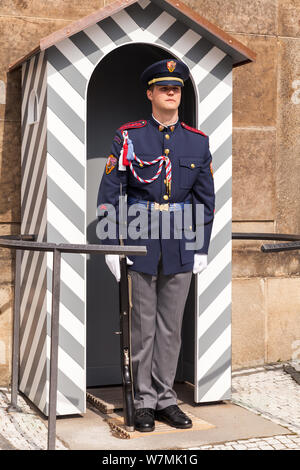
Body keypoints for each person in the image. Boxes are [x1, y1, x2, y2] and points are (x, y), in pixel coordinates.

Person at [96, 59, 215, 432]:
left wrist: (200, 247)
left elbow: (204, 200)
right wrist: (112, 246)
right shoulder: (128, 137)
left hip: (181, 241)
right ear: (150, 93)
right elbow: (111, 192)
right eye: (163, 87)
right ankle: (143, 400)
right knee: (143, 325)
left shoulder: (198, 141)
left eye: (176, 88)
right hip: (140, 238)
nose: (171, 93)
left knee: (170, 327)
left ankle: (166, 399)